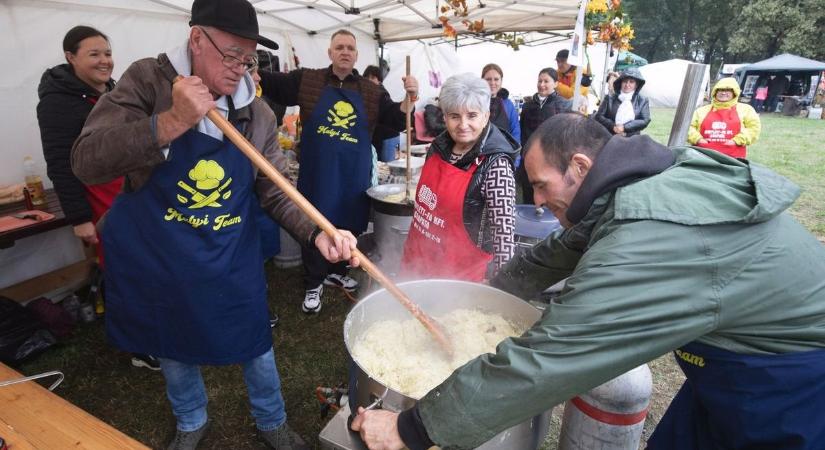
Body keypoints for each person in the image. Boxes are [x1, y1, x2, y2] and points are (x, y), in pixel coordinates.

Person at [351, 113, 825, 450]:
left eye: (539, 185)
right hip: (726, 370)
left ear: (579, 166)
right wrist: (490, 292)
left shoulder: (648, 243)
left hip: (792, 383)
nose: (535, 202)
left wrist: (411, 430)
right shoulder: (643, 182)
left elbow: (549, 357)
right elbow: (569, 246)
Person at [71, 0, 359, 448]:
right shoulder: (148, 80)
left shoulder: (256, 113)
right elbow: (86, 160)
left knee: (255, 340)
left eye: (248, 58)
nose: (240, 69)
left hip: (229, 251)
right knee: (172, 341)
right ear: (196, 39)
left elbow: (275, 188)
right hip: (163, 251)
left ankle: (272, 420)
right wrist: (169, 122)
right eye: (231, 55)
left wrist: (315, 231)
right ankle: (190, 420)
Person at [257, 29, 417, 314]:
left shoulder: (371, 91)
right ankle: (313, 282)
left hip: (353, 174)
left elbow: (394, 118)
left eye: (350, 48)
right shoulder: (307, 79)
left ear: (356, 55)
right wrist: (252, 70)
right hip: (318, 173)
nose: (345, 52)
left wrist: (410, 99)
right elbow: (272, 84)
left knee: (351, 221)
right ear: (330, 53)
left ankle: (337, 269)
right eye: (339, 47)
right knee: (316, 223)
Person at [36, 25, 160, 372]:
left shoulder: (117, 90)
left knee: (148, 264)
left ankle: (156, 329)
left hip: (133, 190)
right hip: (101, 199)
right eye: (94, 54)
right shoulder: (57, 103)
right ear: (70, 57)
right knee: (123, 269)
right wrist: (79, 219)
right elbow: (60, 163)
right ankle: (138, 345)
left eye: (107, 53)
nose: (104, 61)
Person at [400, 73, 518, 281]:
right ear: (444, 117)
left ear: (486, 115)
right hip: (418, 260)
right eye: (455, 116)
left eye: (472, 115)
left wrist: (502, 285)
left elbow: (504, 235)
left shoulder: (496, 165)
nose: (463, 125)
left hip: (461, 278)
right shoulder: (438, 147)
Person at [517, 67, 570, 204]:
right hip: (529, 156)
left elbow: (565, 134)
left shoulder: (563, 105)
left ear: (556, 83)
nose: (542, 85)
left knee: (548, 194)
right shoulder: (528, 106)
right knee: (529, 192)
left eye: (546, 81)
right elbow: (522, 130)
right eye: (540, 81)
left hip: (551, 157)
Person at [688, 77, 760, 159]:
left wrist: (736, 141)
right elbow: (688, 127)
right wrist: (698, 139)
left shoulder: (746, 109)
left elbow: (754, 129)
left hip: (733, 158)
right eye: (720, 90)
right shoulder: (701, 111)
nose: (723, 93)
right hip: (702, 156)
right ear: (715, 92)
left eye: (728, 90)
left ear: (734, 93)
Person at [593, 67, 651, 137]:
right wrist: (613, 126)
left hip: (632, 139)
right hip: (609, 137)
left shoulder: (642, 100)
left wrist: (624, 127)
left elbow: (645, 120)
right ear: (620, 83)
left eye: (631, 82)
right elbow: (599, 116)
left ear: (636, 85)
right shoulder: (610, 98)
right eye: (625, 81)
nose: (627, 85)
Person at [481, 63, 520, 142]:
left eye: (496, 79)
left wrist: (515, 153)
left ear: (501, 81)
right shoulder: (475, 102)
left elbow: (515, 131)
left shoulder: (508, 105)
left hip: (503, 151)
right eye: (488, 79)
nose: (492, 83)